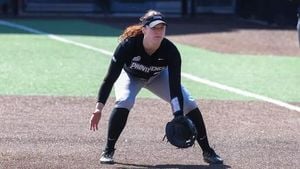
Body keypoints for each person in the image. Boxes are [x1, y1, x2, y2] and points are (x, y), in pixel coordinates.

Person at [89, 9, 223, 165]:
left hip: (157, 76)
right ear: (144, 29)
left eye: (162, 27)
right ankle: (108, 149)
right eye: (154, 28)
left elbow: (174, 87)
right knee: (125, 100)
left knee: (189, 103)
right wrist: (99, 108)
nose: (159, 31)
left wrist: (178, 114)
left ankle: (207, 151)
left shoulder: (171, 51)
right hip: (131, 76)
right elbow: (110, 78)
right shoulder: (128, 45)